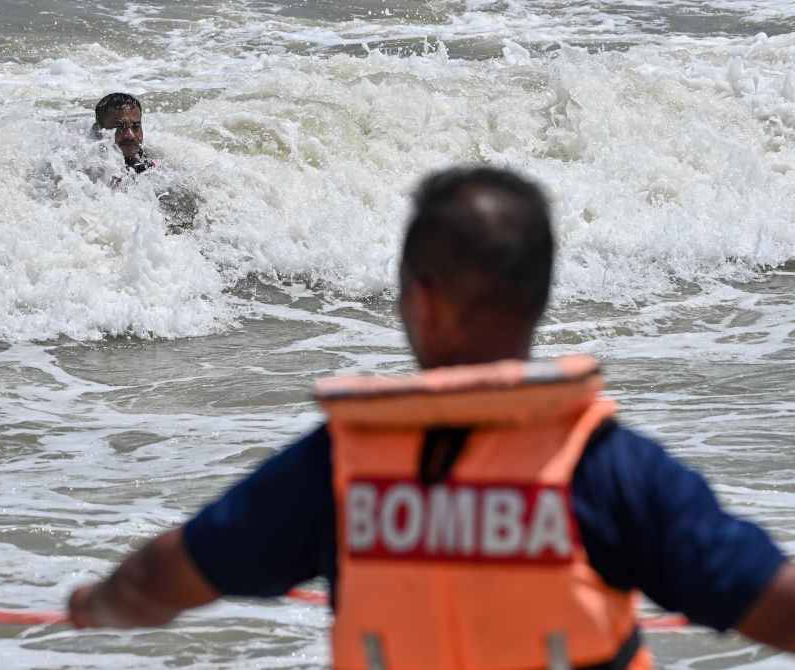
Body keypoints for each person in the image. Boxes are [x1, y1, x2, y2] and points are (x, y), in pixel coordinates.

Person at [67, 166, 795, 667]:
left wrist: (94, 605)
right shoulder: (605, 468)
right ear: (538, 297)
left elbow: (166, 577)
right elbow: (773, 603)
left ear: (421, 297)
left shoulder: (342, 467)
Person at [93, 92, 154, 174]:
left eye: (135, 126)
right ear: (100, 131)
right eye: (120, 127)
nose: (130, 136)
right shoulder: (89, 171)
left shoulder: (156, 162)